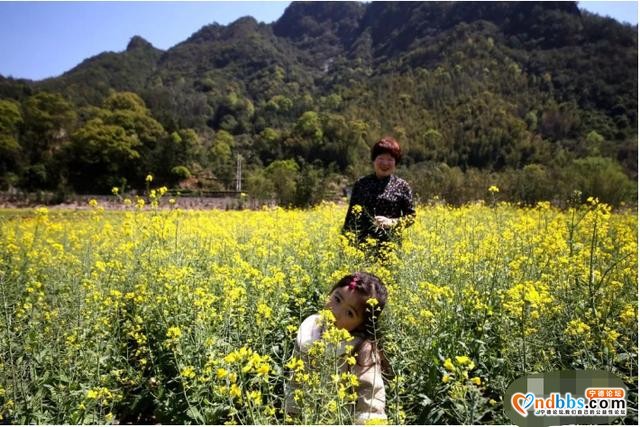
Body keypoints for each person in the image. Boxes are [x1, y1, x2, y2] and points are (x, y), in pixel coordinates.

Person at [285, 272, 388, 424]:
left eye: (349, 313)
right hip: (308, 418)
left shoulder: (361, 349)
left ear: (361, 324)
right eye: (337, 299)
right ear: (330, 292)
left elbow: (371, 398)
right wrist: (291, 414)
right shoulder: (309, 332)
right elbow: (295, 380)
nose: (336, 312)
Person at [343, 136, 415, 248]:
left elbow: (411, 217)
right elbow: (350, 218)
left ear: (396, 162)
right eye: (381, 158)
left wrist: (392, 222)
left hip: (390, 248)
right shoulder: (361, 184)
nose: (385, 163)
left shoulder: (402, 186)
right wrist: (344, 244)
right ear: (373, 160)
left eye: (390, 159)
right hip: (361, 248)